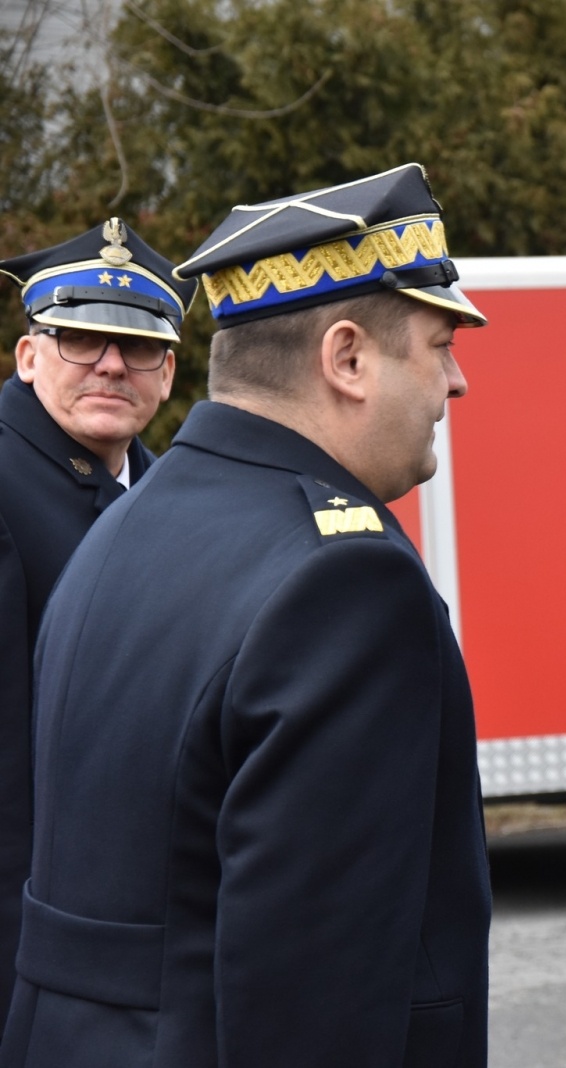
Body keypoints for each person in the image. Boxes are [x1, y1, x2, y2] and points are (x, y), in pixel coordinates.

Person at [0, 163, 492, 1068]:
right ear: (347, 358)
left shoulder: (124, 522)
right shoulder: (346, 585)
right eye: (438, 345)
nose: (455, 384)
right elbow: (318, 1000)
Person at [0, 221, 192, 1037]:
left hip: (132, 936)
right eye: (79, 337)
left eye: (137, 345)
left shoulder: (170, 497)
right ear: (28, 356)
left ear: (170, 371)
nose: (111, 363)